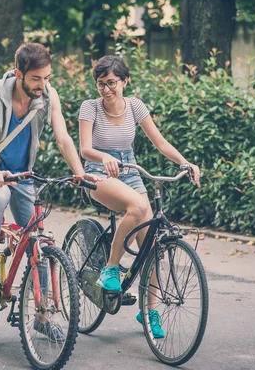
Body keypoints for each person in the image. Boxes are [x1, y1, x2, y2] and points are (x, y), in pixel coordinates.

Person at [0, 43, 98, 339]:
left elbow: (63, 138)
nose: (43, 85)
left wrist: (80, 173)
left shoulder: (48, 95)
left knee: (38, 241)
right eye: (36, 79)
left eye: (47, 78)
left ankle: (41, 316)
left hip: (22, 174)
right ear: (19, 74)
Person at [78, 55, 201, 338]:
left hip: (130, 170)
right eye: (101, 84)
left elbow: (160, 142)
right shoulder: (90, 108)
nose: (106, 89)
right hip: (98, 171)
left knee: (153, 248)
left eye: (111, 83)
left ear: (125, 81)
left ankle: (149, 312)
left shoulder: (135, 106)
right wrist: (104, 156)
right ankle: (110, 268)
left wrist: (185, 162)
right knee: (137, 205)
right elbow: (85, 149)